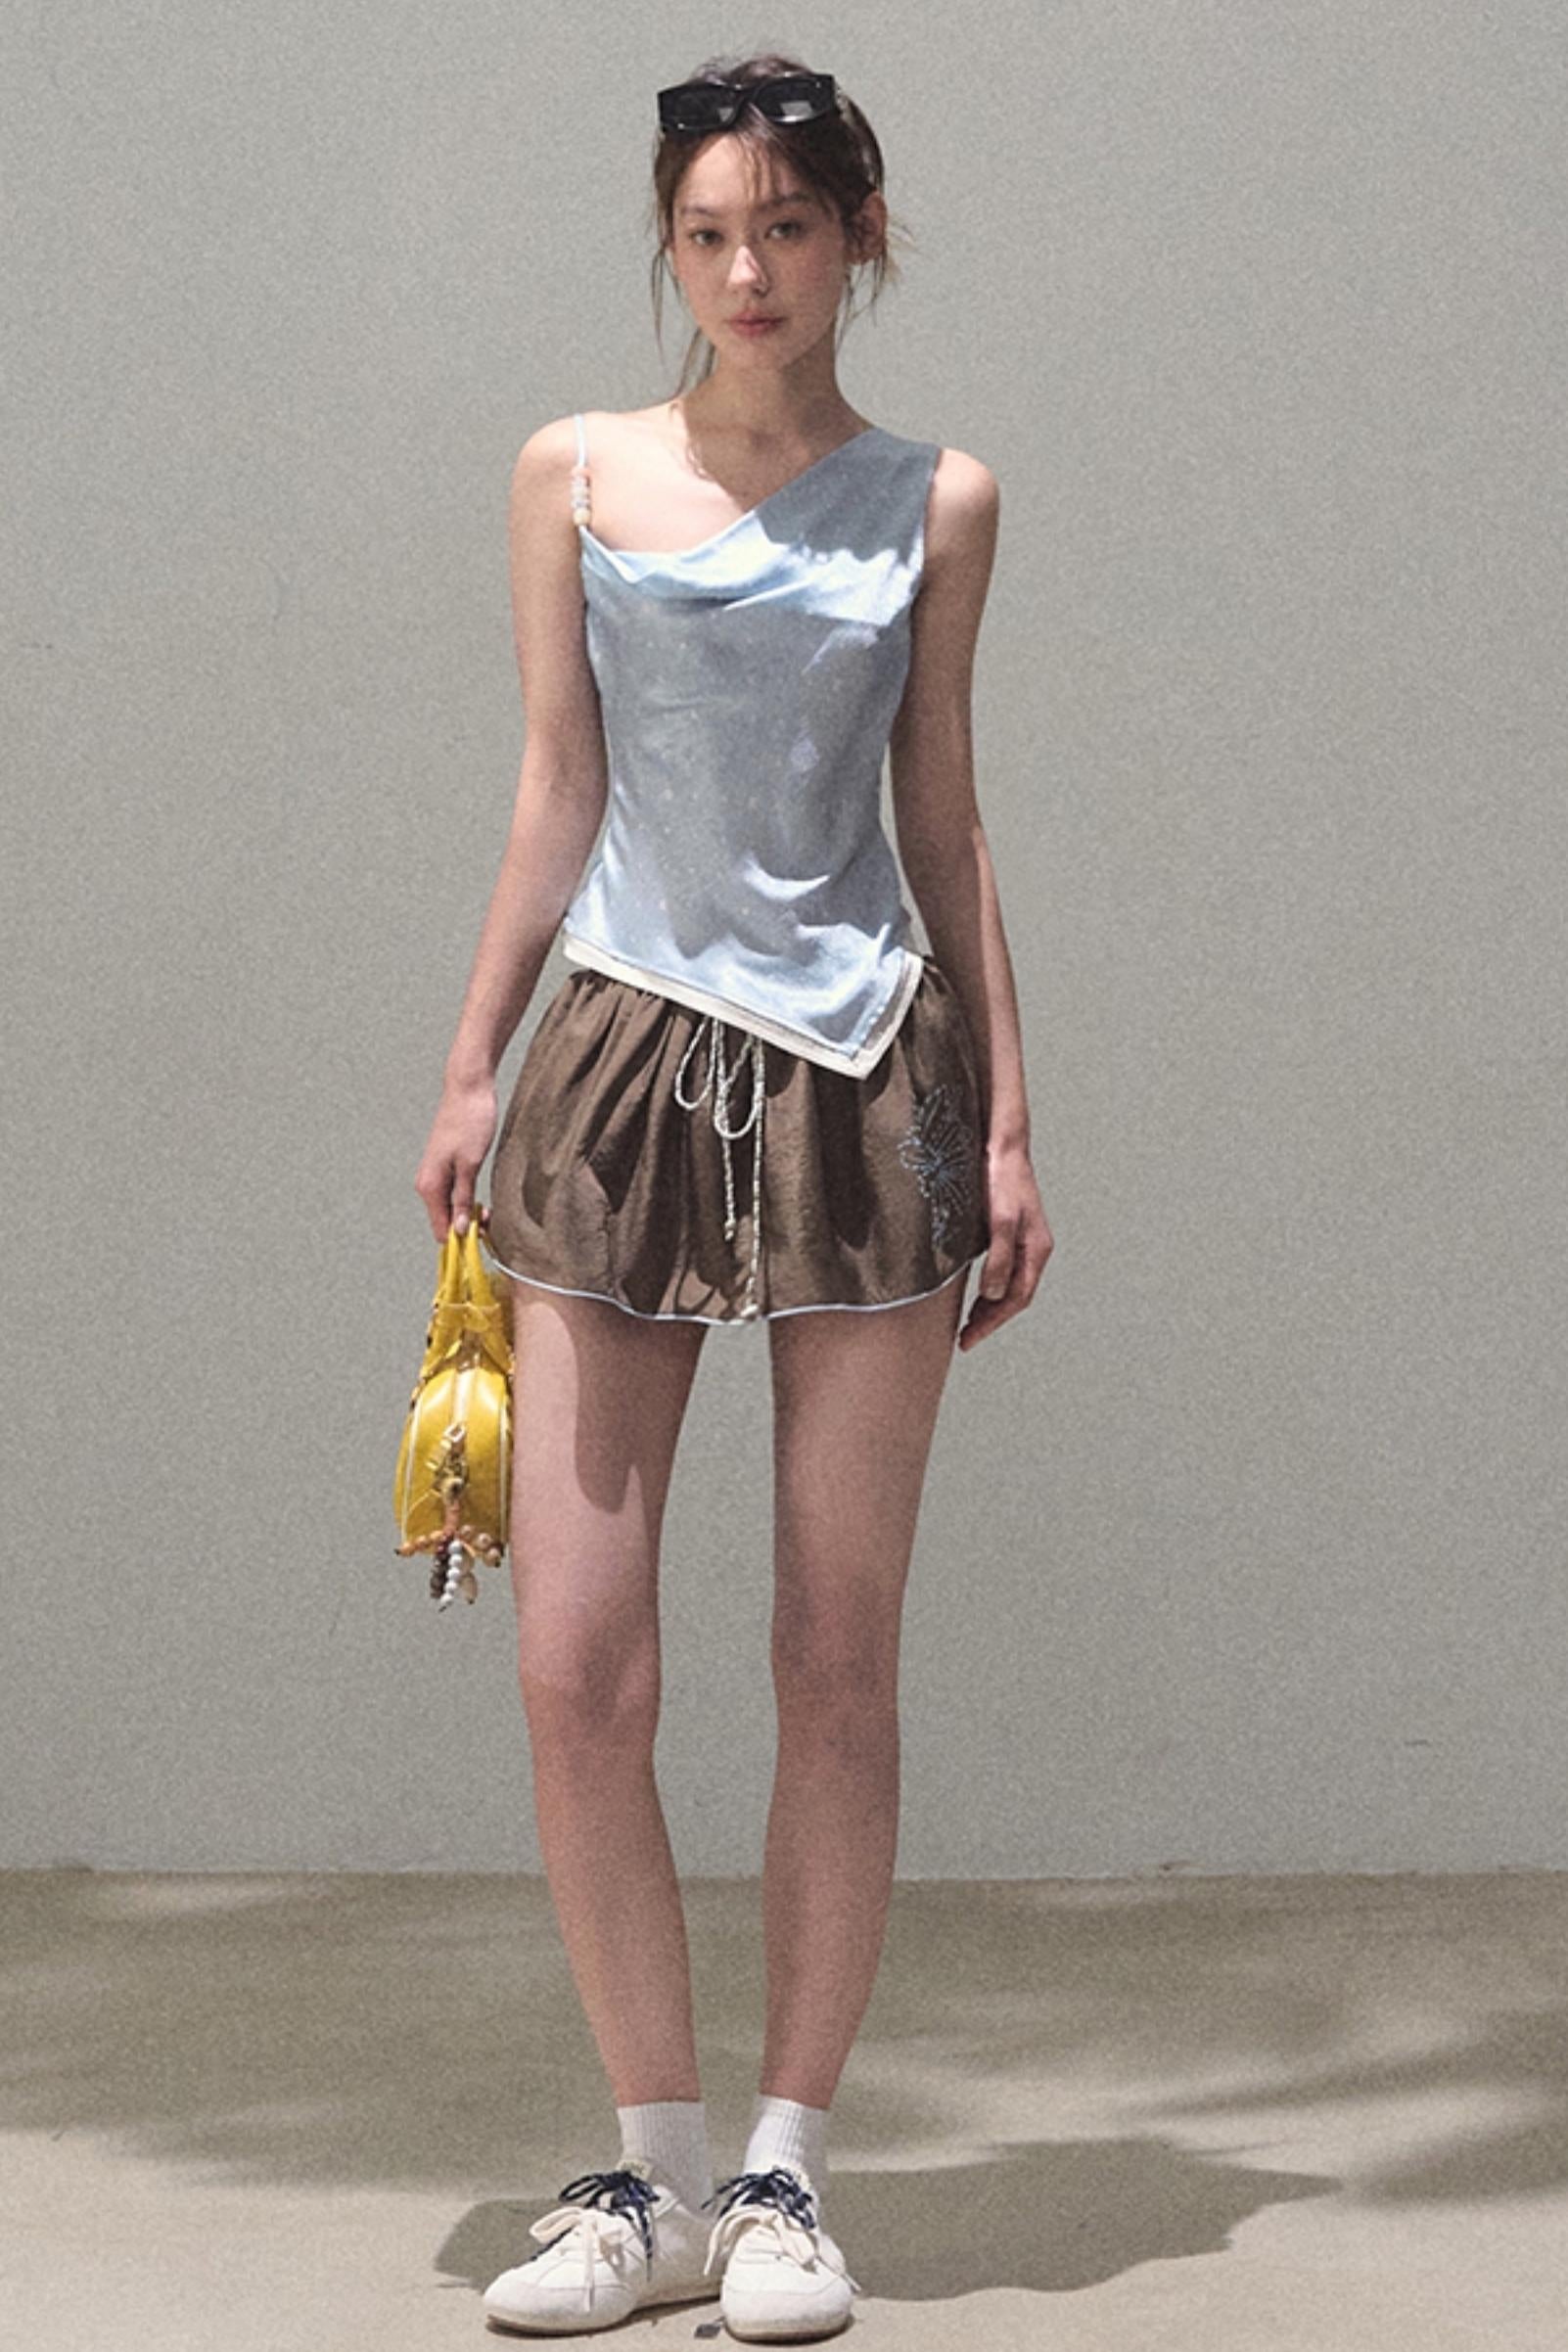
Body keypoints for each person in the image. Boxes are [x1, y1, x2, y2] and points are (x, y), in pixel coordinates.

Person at [414, 51, 1052, 2342]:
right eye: (708, 233)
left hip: (871, 1077)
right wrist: (471, 1063)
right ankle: (650, 2169)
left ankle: (784, 2172)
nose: (748, 270)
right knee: (576, 1658)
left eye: (787, 227)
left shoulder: (937, 498)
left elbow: (943, 804)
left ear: (857, 236)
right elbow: (556, 780)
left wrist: (1008, 1120)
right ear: (669, 245)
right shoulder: (573, 471)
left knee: (832, 1651)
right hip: (613, 1068)